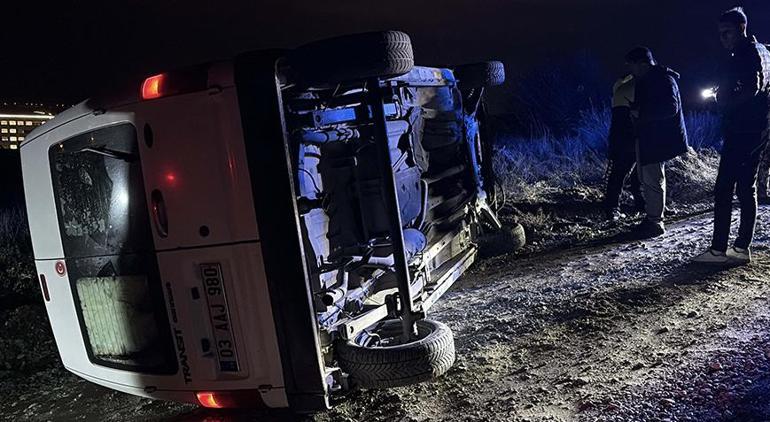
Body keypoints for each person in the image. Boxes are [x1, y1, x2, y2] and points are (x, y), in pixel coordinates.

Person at [694, 7, 770, 264]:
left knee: (725, 187)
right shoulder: (761, 50)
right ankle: (741, 248)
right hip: (756, 128)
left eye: (726, 32)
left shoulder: (746, 52)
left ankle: (718, 250)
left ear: (741, 29)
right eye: (719, 34)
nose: (722, 38)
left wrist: (724, 102)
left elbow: (753, 87)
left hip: (743, 129)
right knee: (746, 188)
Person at [625, 46, 689, 237]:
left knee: (652, 178)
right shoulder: (653, 78)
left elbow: (671, 107)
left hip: (657, 139)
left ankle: (655, 222)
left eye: (632, 65)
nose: (630, 70)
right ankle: (654, 217)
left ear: (642, 64)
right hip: (652, 137)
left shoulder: (661, 79)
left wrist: (640, 113)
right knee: (650, 178)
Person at [604, 74, 645, 221]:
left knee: (626, 173)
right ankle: (613, 208)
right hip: (626, 137)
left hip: (625, 136)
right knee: (622, 173)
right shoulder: (632, 85)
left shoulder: (621, 85)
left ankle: (636, 203)